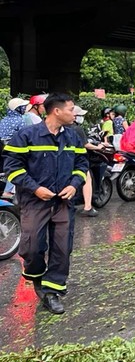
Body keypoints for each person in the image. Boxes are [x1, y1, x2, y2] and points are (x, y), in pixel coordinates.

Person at [3, 93, 88, 314]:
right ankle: (37, 277)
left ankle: (52, 291)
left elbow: (81, 163)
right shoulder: (26, 136)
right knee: (32, 248)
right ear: (56, 111)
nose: (74, 113)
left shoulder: (73, 137)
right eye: (71, 109)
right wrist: (35, 188)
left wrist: (74, 184)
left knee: (62, 247)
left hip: (63, 203)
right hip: (34, 201)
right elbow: (12, 168)